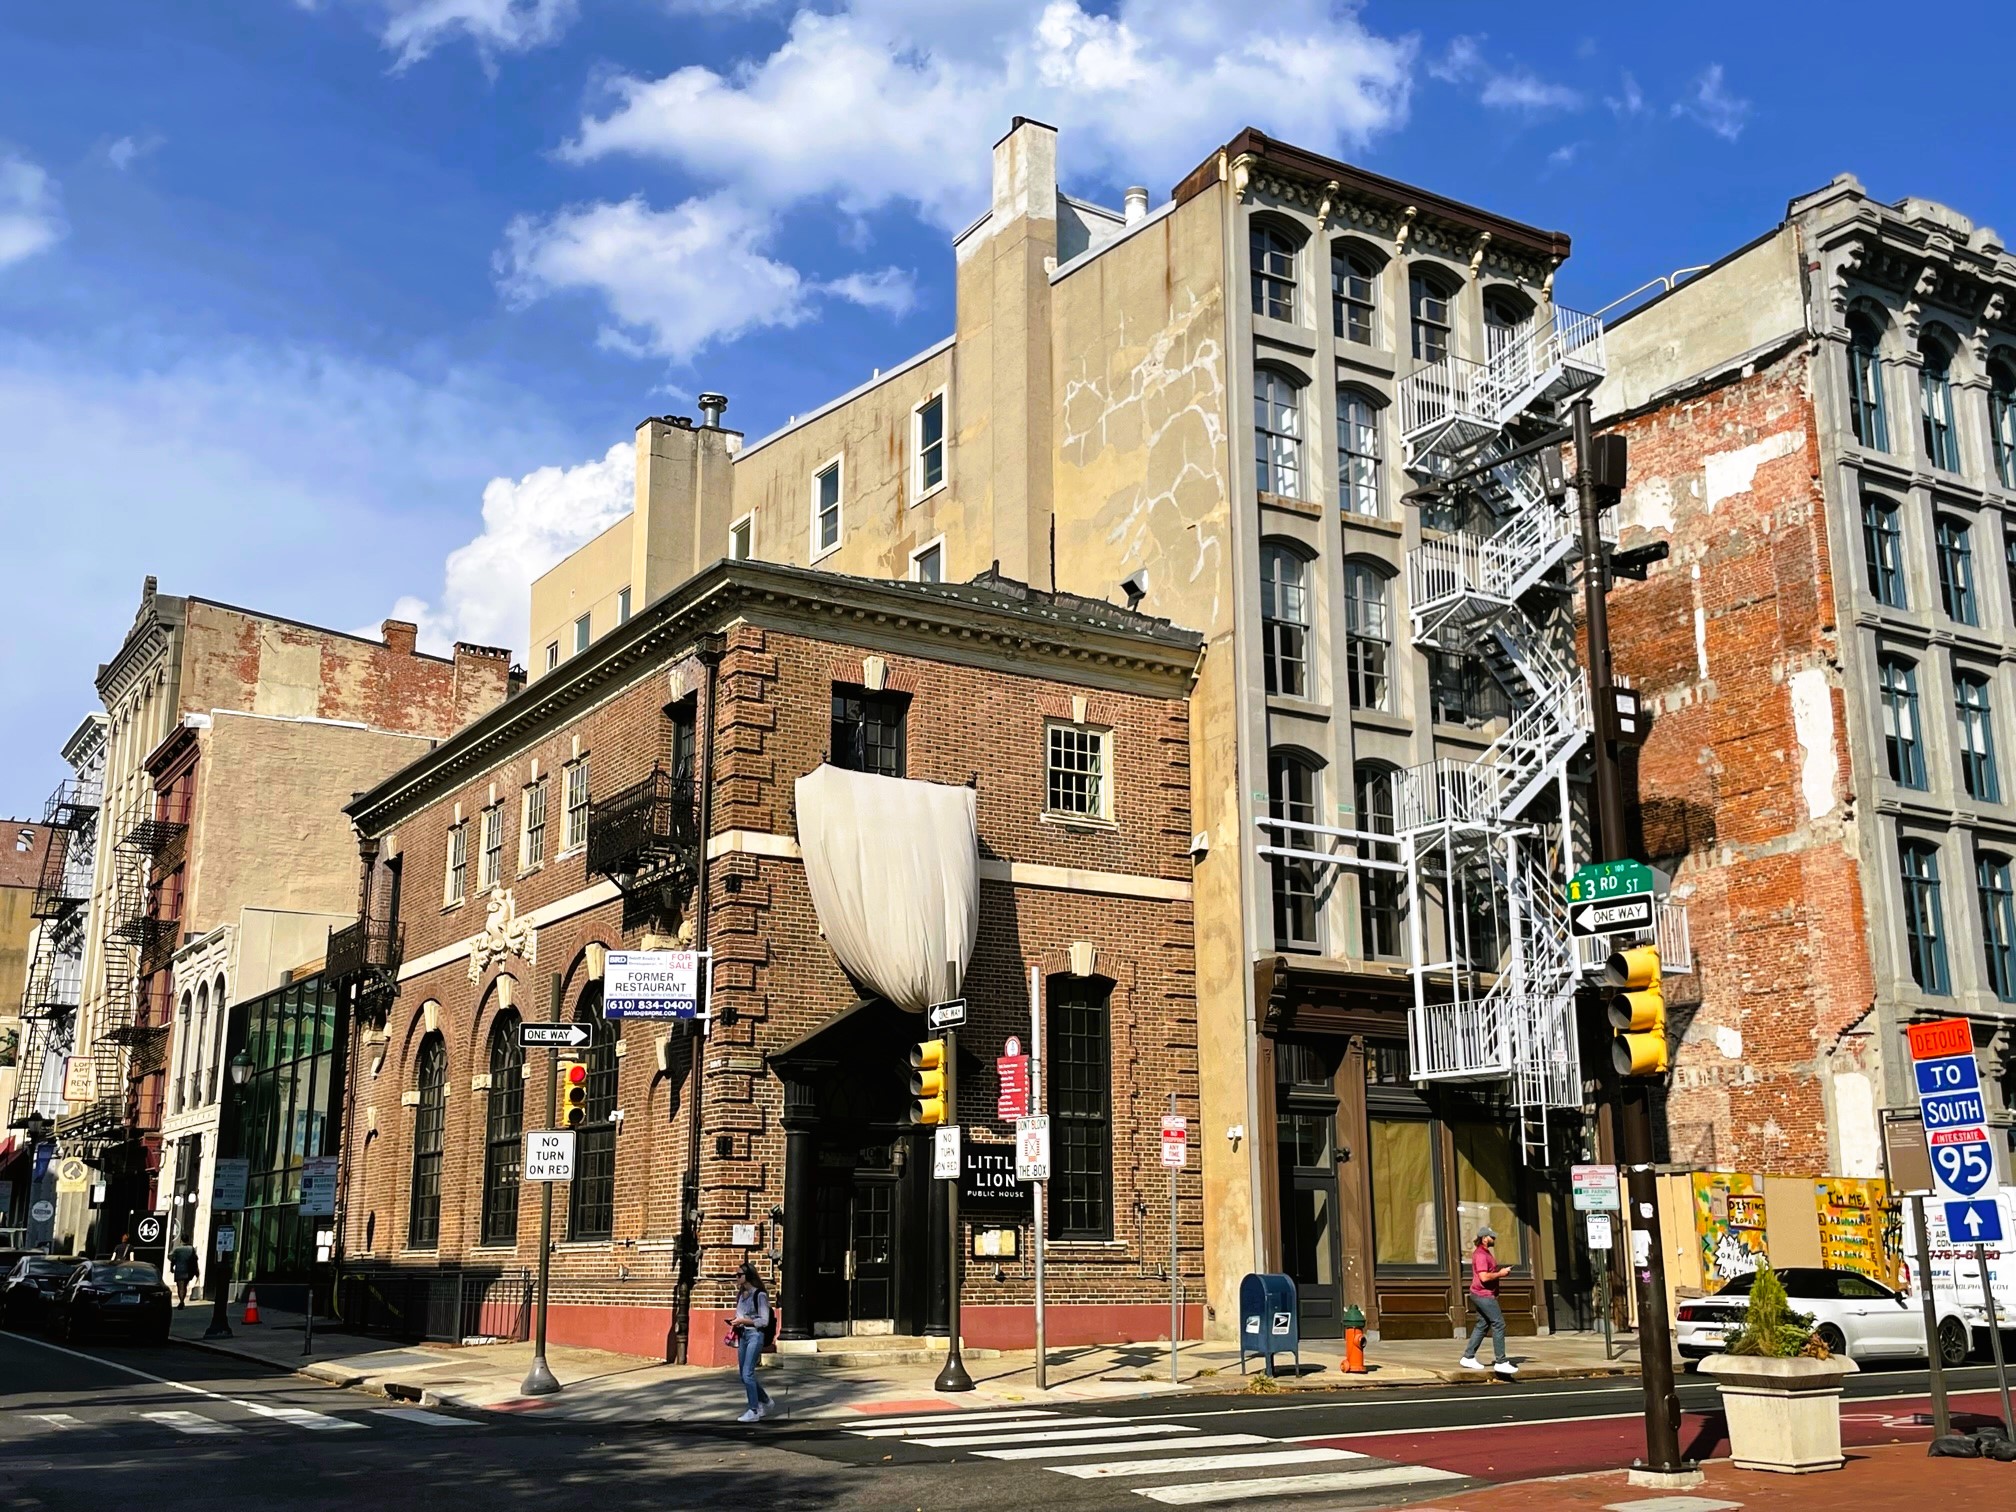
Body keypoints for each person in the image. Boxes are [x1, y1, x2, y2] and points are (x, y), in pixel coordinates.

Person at [1459, 1225, 1517, 1376]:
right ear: (1484, 1238)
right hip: (1483, 1294)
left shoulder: (1485, 1253)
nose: (1494, 1238)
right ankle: (1501, 1362)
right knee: (1499, 1324)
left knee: (1482, 1325)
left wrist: (1500, 1273)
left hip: (1481, 1293)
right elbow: (1484, 1277)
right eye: (1492, 1236)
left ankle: (1468, 1357)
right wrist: (1501, 1274)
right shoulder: (1481, 1255)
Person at [728, 1262, 775, 1423]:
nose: (736, 1278)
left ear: (748, 1276)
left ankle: (753, 1410)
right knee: (743, 1374)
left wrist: (744, 1321)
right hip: (742, 1335)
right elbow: (740, 1315)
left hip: (755, 1335)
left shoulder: (759, 1295)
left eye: (739, 1275)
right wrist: (736, 1321)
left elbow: (764, 1321)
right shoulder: (741, 1295)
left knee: (748, 1373)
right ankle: (765, 1401)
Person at [168, 1239, 199, 1306]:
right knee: (184, 1286)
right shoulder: (191, 1249)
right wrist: (196, 1270)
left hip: (179, 1269)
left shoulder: (177, 1249)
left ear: (181, 1240)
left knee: (180, 1286)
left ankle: (181, 1300)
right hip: (188, 1270)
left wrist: (171, 1268)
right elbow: (195, 1260)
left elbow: (172, 1258)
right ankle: (182, 1300)